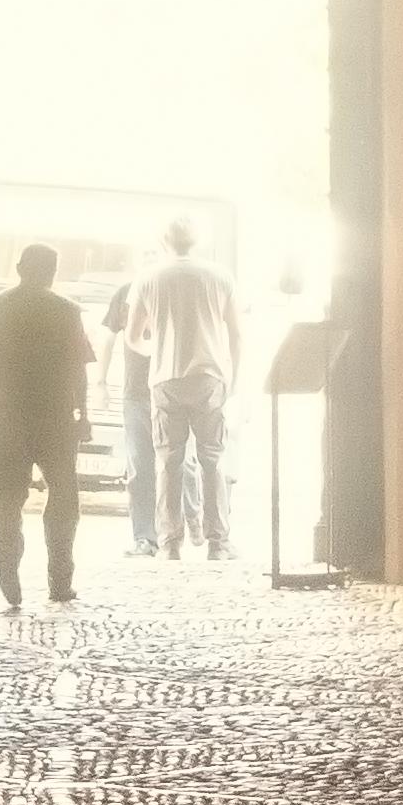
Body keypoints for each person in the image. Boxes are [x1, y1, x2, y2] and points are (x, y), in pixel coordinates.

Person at [0, 241, 91, 610]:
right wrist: (85, 415)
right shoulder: (67, 311)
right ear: (52, 273)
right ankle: (60, 579)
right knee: (63, 496)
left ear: (18, 267)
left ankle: (7, 564)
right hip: (55, 418)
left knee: (9, 496)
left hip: (7, 416)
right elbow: (79, 371)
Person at [133, 218, 243, 562]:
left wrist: (158, 351)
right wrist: (232, 378)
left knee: (168, 463)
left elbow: (134, 336)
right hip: (210, 376)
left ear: (164, 241)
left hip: (165, 379)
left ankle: (170, 544)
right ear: (196, 241)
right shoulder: (220, 276)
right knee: (212, 460)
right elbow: (237, 334)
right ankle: (218, 542)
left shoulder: (149, 278)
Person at [107, 253, 160, 557]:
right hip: (137, 391)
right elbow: (109, 337)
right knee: (141, 465)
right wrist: (100, 382)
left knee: (179, 465)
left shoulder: (172, 290)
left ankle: (171, 534)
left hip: (170, 386)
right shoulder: (126, 292)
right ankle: (145, 536)